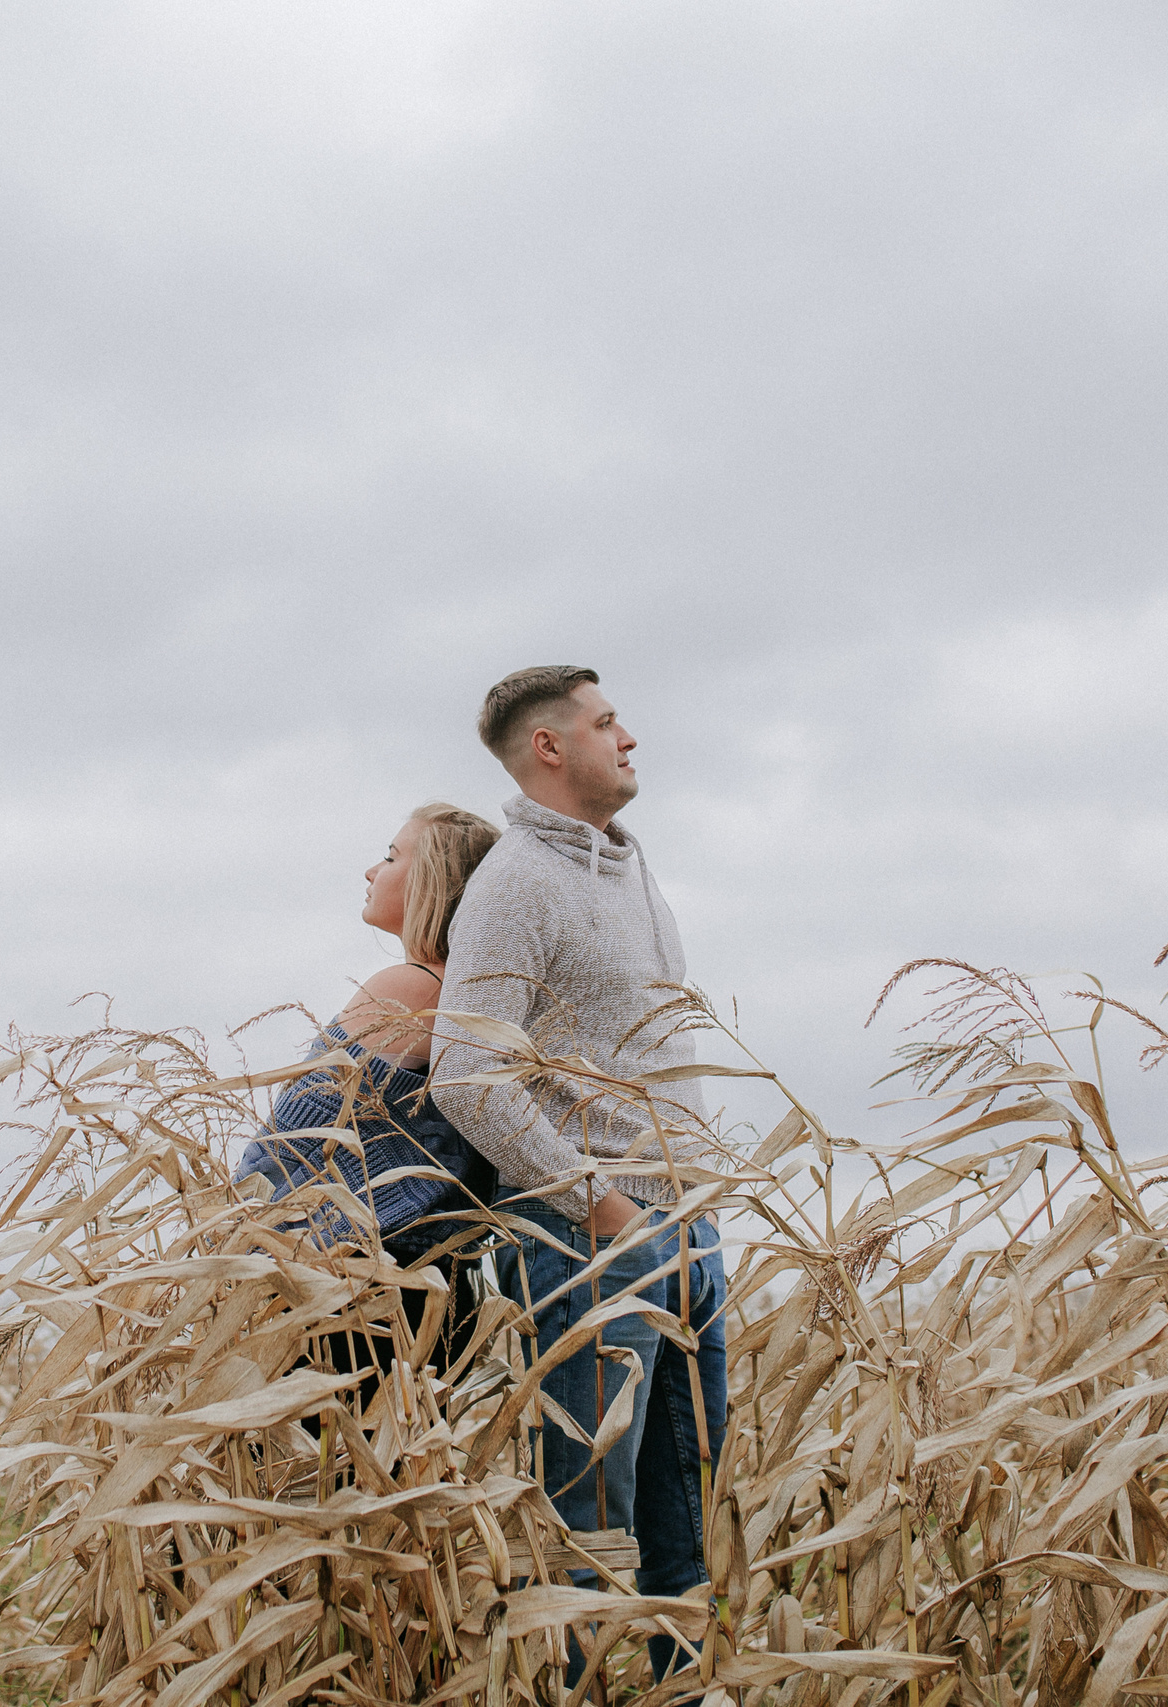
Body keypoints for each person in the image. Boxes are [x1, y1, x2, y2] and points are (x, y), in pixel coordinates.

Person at [428, 666, 728, 1680]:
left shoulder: (628, 865)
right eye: (607, 724)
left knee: (685, 1509)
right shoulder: (514, 884)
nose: (629, 737)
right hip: (589, 1244)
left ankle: (682, 1695)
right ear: (550, 748)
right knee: (594, 1528)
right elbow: (468, 1069)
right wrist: (594, 1202)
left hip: (681, 1228)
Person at [236, 802, 503, 1373]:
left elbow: (295, 1141)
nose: (370, 871)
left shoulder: (408, 988)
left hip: (351, 1288)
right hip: (431, 1291)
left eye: (389, 856)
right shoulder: (471, 1002)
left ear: (436, 881)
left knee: (307, 1463)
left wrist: (233, 1244)